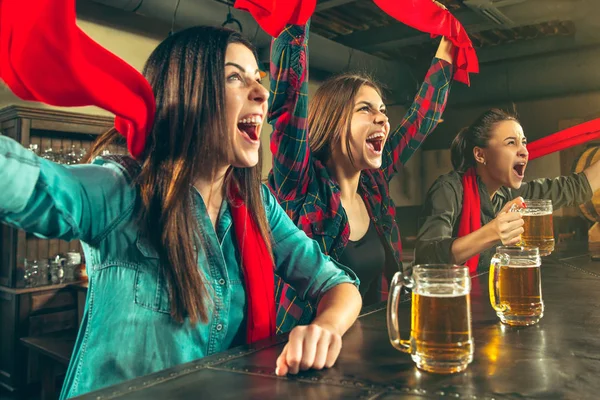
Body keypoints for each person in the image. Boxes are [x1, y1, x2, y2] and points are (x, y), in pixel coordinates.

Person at [0, 26, 362, 399]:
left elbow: (338, 285)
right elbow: (28, 184)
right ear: (186, 92)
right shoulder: (123, 191)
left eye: (258, 78)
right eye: (235, 77)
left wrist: (325, 329)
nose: (261, 93)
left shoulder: (256, 205)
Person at [267, 19, 453, 327]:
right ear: (334, 120)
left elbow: (421, 120)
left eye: (382, 110)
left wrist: (449, 44)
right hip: (304, 356)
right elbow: (288, 103)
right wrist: (294, 21)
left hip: (371, 351)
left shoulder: (373, 186)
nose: (382, 118)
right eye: (365, 109)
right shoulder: (300, 185)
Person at [415, 108, 600, 270]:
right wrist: (492, 232)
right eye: (511, 143)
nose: (524, 151)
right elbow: (426, 257)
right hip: (449, 302)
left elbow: (574, 188)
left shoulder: (510, 195)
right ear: (480, 154)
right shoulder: (450, 189)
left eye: (524, 142)